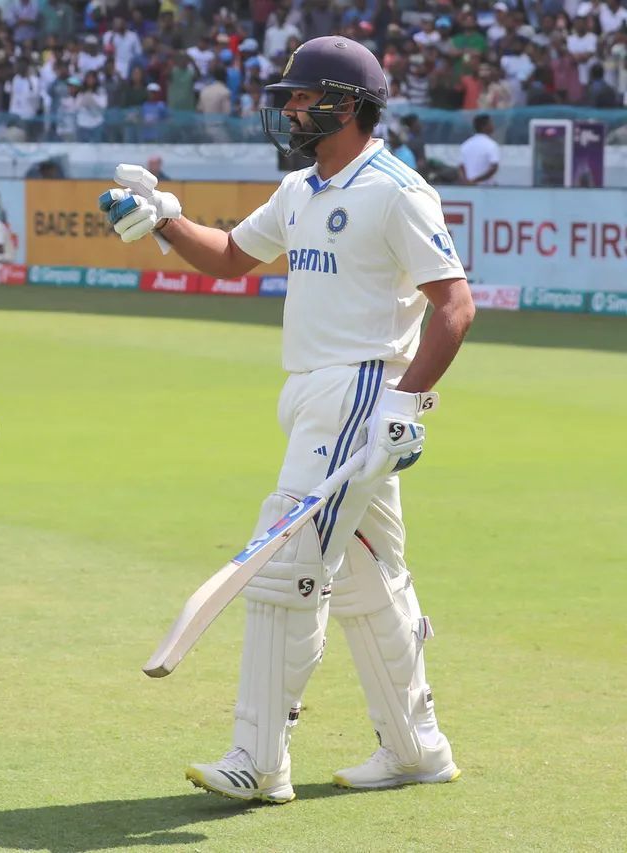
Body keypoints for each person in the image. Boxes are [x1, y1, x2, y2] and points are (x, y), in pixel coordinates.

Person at [100, 36, 473, 803]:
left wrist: (403, 401)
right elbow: (234, 257)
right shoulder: (302, 189)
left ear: (351, 105)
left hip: (360, 391)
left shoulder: (396, 189)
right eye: (292, 97)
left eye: (306, 97)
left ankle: (259, 756)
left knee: (284, 567)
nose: (292, 108)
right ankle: (416, 745)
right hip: (312, 392)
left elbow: (455, 304)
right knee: (371, 580)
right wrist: (163, 219)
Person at [458, 113, 500, 185]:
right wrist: (476, 180)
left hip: (468, 187)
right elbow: (494, 168)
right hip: (486, 189)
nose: (493, 126)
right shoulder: (491, 145)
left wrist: (466, 181)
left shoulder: (465, 145)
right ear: (484, 126)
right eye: (490, 123)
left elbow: (461, 166)